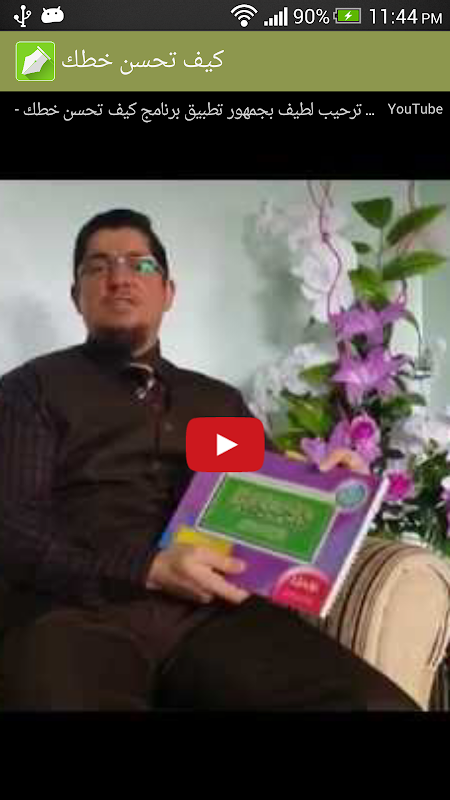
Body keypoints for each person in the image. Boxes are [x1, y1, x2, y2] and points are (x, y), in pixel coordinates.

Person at [0, 208, 419, 711]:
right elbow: (14, 529)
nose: (119, 278)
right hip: (75, 617)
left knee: (373, 703)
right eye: (98, 266)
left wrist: (327, 487)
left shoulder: (215, 404)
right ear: (77, 296)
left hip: (212, 621)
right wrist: (147, 568)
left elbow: (263, 501)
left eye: (140, 264)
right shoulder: (32, 391)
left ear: (168, 292)